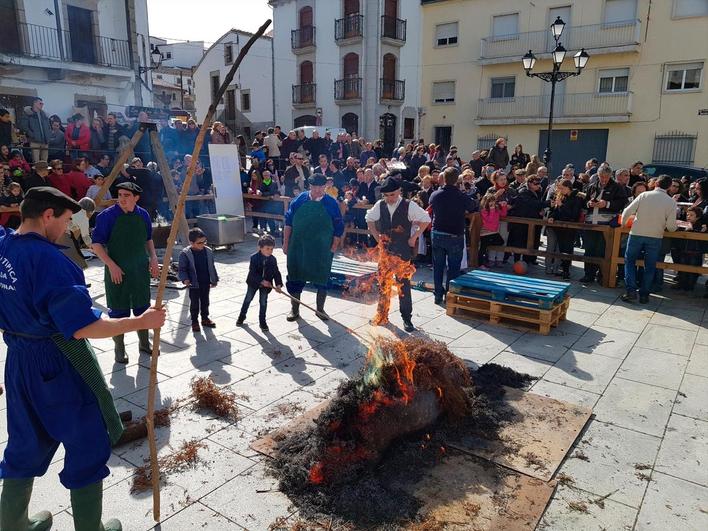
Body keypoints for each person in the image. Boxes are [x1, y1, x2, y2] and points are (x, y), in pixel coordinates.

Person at [0, 186, 165, 531]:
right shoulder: (50, 261)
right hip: (56, 363)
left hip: (17, 361)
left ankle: (12, 524)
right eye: (64, 220)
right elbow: (84, 327)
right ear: (47, 215)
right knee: (86, 441)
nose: (66, 228)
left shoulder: (4, 246)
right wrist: (142, 321)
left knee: (24, 440)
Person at [91, 182, 160, 363]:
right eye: (120, 195)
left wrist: (153, 258)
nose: (122, 198)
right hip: (117, 269)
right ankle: (119, 349)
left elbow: (148, 238)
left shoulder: (143, 214)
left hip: (139, 269)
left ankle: (144, 344)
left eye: (126, 195)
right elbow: (96, 244)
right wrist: (111, 265)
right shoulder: (107, 216)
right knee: (118, 309)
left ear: (136, 198)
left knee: (142, 306)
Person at [366, 177, 431, 332]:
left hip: (402, 251)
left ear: (399, 192)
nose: (389, 198)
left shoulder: (409, 205)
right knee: (383, 283)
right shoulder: (380, 205)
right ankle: (382, 315)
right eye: (386, 195)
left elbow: (426, 219)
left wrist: (414, 237)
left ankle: (407, 318)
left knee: (404, 285)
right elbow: (369, 219)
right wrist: (377, 238)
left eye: (392, 195)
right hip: (385, 252)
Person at [283, 174, 344, 321]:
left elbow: (338, 226)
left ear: (325, 186)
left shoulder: (331, 203)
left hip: (322, 248)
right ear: (309, 186)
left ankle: (320, 309)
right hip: (299, 246)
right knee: (295, 276)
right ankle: (294, 309)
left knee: (322, 278)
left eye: (320, 187)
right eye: (314, 187)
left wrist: (334, 246)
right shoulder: (299, 200)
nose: (317, 190)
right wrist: (286, 243)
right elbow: (288, 222)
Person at [620, 175, 677, 303]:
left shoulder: (644, 195)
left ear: (656, 183)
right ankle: (645, 294)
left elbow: (627, 211)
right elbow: (671, 227)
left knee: (629, 262)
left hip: (636, 233)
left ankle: (631, 291)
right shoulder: (671, 201)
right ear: (668, 187)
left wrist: (623, 224)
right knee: (650, 266)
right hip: (655, 236)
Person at [429, 167, 477, 304]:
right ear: (458, 180)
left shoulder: (435, 195)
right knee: (453, 267)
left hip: (437, 233)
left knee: (438, 266)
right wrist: (464, 191)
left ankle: (438, 294)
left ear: (444, 179)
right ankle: (449, 295)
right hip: (454, 235)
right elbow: (473, 206)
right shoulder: (461, 196)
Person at [236, 234, 283, 331]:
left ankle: (262, 321)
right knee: (248, 299)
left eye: (271, 249)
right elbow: (252, 273)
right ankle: (242, 316)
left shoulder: (273, 259)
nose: (270, 251)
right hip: (254, 283)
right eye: (267, 249)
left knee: (263, 302)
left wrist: (278, 285)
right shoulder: (254, 258)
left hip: (266, 286)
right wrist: (261, 281)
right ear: (260, 248)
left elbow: (276, 273)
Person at [178, 228, 219, 332]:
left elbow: (211, 266)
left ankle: (205, 318)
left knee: (205, 301)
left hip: (205, 281)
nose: (202, 244)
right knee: (195, 303)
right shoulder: (185, 254)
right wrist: (185, 279)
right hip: (194, 283)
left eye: (204, 242)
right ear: (191, 243)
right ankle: (194, 321)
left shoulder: (208, 251)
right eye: (199, 243)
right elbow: (182, 269)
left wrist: (214, 279)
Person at [546, 180, 585, 279]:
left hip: (570, 228)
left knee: (567, 249)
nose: (560, 190)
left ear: (568, 188)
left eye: (562, 188)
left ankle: (566, 271)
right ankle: (563, 270)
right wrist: (552, 217)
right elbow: (555, 210)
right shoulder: (561, 196)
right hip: (560, 227)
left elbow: (574, 215)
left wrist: (562, 206)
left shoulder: (577, 198)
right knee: (562, 249)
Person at [478, 191, 508, 269]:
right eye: (490, 202)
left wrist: (504, 206)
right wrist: (491, 210)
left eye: (494, 202)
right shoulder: (484, 210)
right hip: (485, 232)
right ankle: (480, 264)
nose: (493, 204)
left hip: (494, 232)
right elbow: (489, 219)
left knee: (501, 242)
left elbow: (503, 214)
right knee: (482, 249)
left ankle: (488, 247)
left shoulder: (496, 208)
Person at [19, 97, 50, 162]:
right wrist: (32, 135)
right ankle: (36, 172)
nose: (42, 105)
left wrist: (48, 135)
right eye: (40, 103)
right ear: (35, 103)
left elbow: (48, 126)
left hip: (45, 141)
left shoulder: (44, 114)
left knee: (44, 161)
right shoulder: (28, 114)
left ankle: (43, 172)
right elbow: (23, 126)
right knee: (36, 161)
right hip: (34, 141)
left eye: (42, 103)